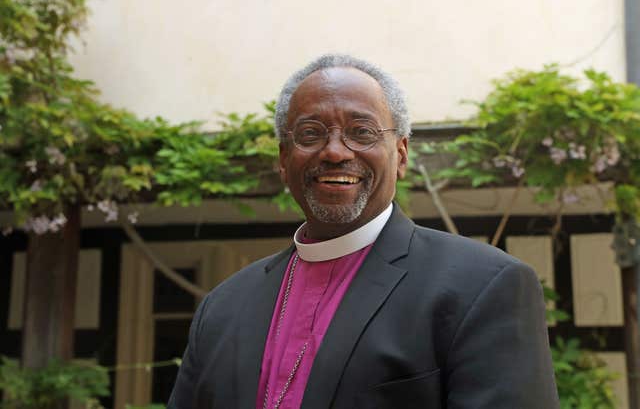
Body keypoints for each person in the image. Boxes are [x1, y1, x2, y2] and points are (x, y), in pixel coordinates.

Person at [168, 54, 559, 409]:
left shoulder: (483, 286)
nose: (335, 151)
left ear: (401, 155)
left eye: (362, 131)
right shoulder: (223, 306)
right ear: (284, 161)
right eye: (310, 134)